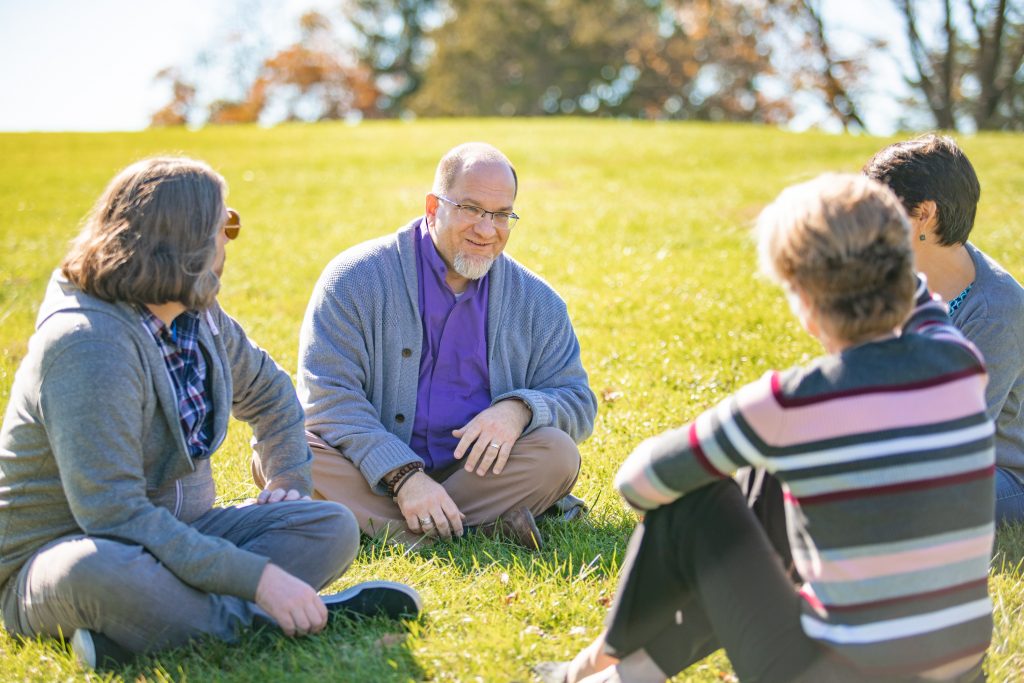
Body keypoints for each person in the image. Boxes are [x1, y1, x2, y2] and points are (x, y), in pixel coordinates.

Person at [538, 175, 994, 683]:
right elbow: (917, 295)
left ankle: (608, 660)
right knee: (768, 483)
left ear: (802, 298)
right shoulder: (959, 358)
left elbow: (638, 483)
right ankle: (616, 667)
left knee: (698, 497)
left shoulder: (791, 403)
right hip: (962, 673)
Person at [0, 157, 420, 669]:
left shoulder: (198, 315)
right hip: (66, 557)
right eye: (226, 226)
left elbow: (270, 392)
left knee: (329, 526)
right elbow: (113, 516)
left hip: (184, 534)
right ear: (187, 241)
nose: (230, 242)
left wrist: (288, 471)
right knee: (99, 570)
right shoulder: (88, 344)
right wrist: (260, 580)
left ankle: (144, 634)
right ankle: (286, 618)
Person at [285, 142, 597, 549]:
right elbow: (328, 397)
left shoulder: (538, 302)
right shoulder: (353, 278)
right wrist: (402, 476)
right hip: (370, 472)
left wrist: (518, 409)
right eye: (471, 209)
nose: (487, 230)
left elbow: (578, 400)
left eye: (502, 214)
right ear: (433, 207)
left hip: (480, 476)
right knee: (283, 451)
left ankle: (398, 529)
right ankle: (465, 530)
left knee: (557, 453)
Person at [864, 134, 1024, 527]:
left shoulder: (996, 310)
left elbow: (957, 443)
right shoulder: (892, 280)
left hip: (996, 476)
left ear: (923, 214)